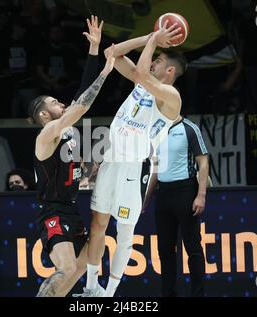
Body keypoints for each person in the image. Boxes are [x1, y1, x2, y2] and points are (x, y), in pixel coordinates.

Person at [78, 21, 188, 297]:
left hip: (134, 167)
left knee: (124, 234)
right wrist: (150, 36)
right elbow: (111, 55)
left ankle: (110, 293)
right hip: (112, 160)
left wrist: (153, 42)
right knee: (98, 224)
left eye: (159, 60)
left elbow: (139, 73)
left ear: (170, 71)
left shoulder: (172, 96)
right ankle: (92, 288)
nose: (153, 62)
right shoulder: (143, 82)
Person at [32, 16, 115, 297]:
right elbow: (81, 105)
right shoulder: (47, 135)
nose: (62, 103)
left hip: (70, 207)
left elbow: (81, 94)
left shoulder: (65, 128)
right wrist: (105, 71)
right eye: (54, 103)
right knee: (67, 269)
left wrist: (93, 50)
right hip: (52, 211)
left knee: (80, 268)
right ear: (44, 115)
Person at [142, 116, 209, 297]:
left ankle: (198, 294)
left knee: (192, 247)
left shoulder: (190, 128)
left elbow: (203, 162)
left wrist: (201, 195)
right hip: (163, 194)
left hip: (186, 191)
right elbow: (156, 168)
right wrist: (145, 200)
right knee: (164, 249)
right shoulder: (156, 129)